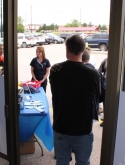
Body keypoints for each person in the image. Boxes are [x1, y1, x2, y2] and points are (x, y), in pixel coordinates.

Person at [49, 35, 100, 165]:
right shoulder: (93, 74)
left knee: (62, 161)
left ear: (67, 49)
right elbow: (98, 96)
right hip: (82, 129)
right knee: (83, 162)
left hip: (61, 126)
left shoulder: (56, 70)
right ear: (84, 51)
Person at [98, 58, 108, 127]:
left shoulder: (107, 60)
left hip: (108, 84)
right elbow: (99, 71)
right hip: (106, 85)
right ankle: (106, 119)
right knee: (106, 103)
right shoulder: (106, 60)